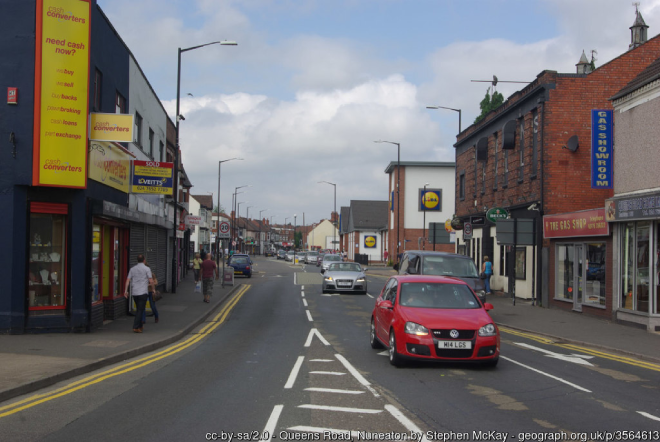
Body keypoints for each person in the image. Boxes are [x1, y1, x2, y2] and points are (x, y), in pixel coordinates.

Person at [124, 254, 154, 333]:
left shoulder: (132, 269)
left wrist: (125, 291)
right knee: (140, 310)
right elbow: (151, 280)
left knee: (140, 309)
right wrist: (153, 289)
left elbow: (127, 280)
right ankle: (135, 327)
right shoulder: (147, 269)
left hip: (134, 292)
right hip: (143, 292)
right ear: (144, 260)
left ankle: (140, 326)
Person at [141, 260, 159, 325]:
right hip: (144, 292)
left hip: (151, 292)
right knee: (142, 306)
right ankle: (143, 320)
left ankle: (156, 316)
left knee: (152, 306)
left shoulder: (151, 274)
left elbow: (156, 282)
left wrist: (149, 284)